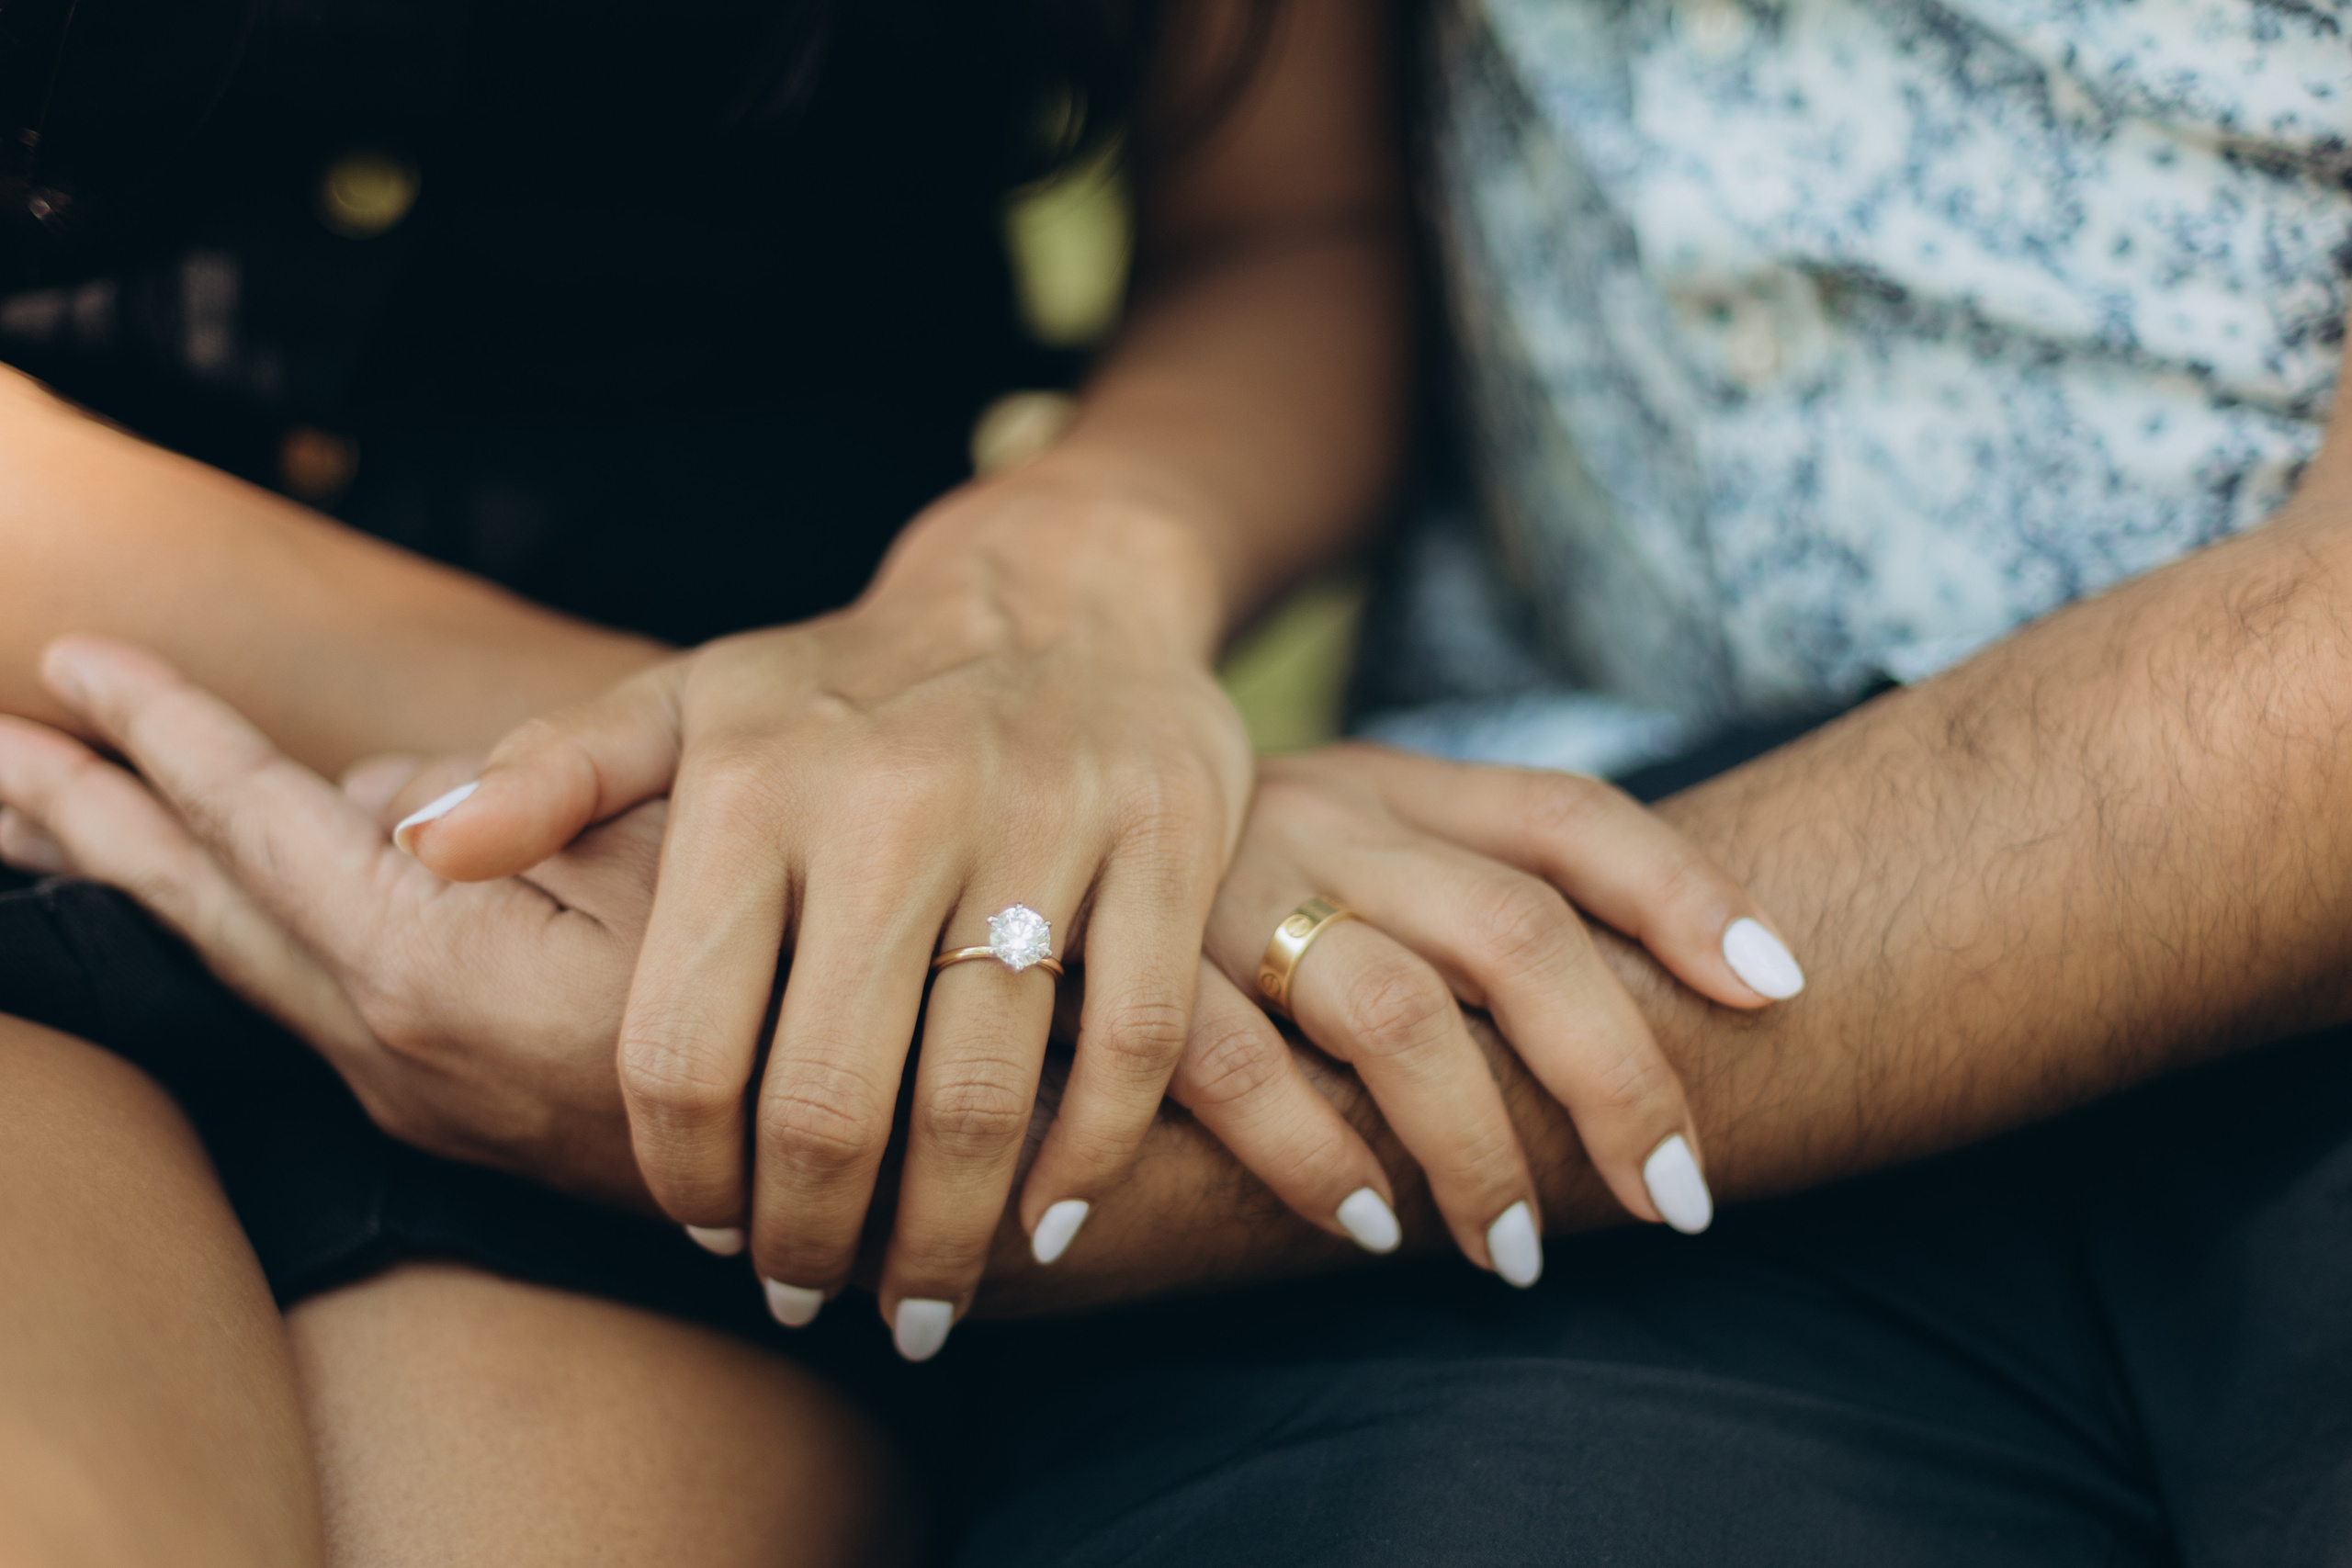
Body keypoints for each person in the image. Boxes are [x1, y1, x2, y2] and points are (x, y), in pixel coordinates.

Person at [13, 0, 2352, 1564]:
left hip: (720, 891)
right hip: (123, 731)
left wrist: (1031, 631)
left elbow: (1292, 222)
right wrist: (863, 773)